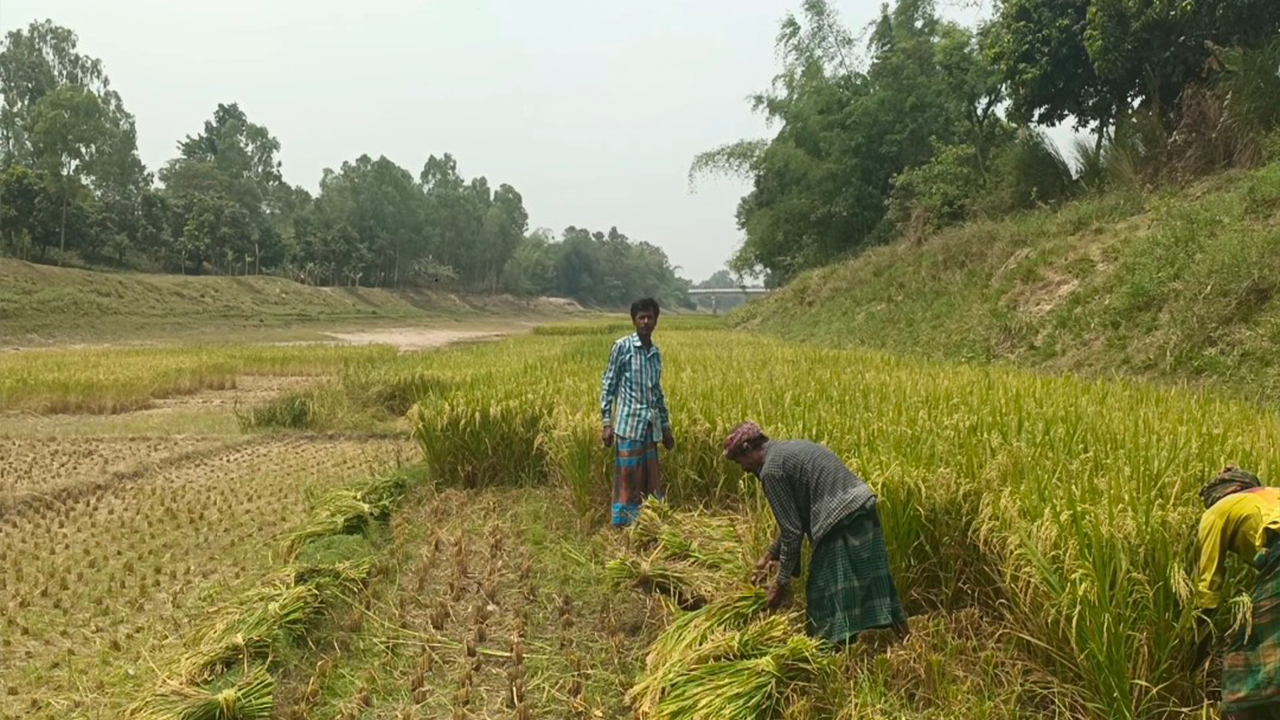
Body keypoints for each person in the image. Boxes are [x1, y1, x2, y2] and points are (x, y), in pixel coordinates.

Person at [723, 421, 908, 645]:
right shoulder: (786, 449)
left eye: (739, 461)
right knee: (875, 579)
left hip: (840, 518)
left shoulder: (771, 471)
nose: (742, 469)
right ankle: (906, 638)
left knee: (825, 591)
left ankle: (829, 653)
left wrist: (780, 585)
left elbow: (792, 532)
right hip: (861, 504)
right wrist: (770, 555)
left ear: (747, 449)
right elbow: (796, 522)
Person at [1192, 467, 1280, 719]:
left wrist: (1198, 649)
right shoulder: (1271, 495)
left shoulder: (1218, 511)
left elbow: (1208, 586)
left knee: (1249, 654)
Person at [599, 297, 674, 528]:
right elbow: (608, 384)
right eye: (641, 317)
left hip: (650, 429)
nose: (645, 321)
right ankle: (623, 528)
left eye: (649, 317)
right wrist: (606, 423)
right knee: (628, 479)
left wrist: (666, 427)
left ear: (656, 321)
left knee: (650, 480)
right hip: (629, 426)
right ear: (634, 320)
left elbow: (657, 393)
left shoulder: (656, 354)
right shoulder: (622, 347)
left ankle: (647, 525)